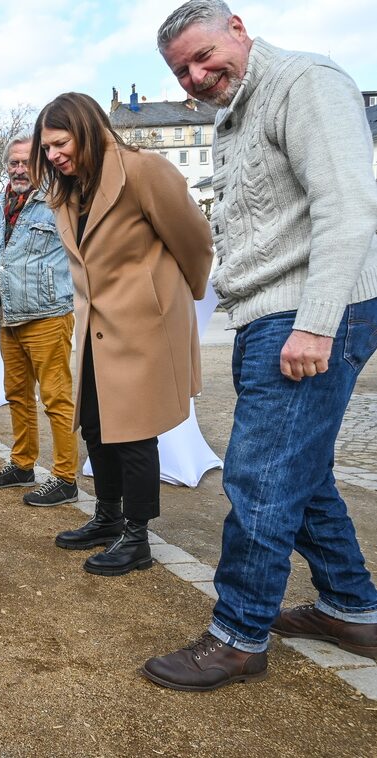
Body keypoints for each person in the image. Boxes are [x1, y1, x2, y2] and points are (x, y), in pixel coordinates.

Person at [143, 0, 377, 691]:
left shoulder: (301, 82)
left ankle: (238, 635)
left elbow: (347, 202)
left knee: (259, 479)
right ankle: (350, 607)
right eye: (180, 69)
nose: (194, 74)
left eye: (202, 55)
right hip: (269, 313)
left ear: (237, 29)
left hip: (304, 311)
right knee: (296, 475)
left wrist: (316, 321)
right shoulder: (235, 110)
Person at [30, 92, 213, 577]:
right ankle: (108, 517)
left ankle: (137, 538)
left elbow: (194, 238)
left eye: (59, 143)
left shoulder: (144, 171)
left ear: (87, 130)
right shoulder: (67, 191)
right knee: (94, 423)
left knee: (133, 433)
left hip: (144, 326)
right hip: (95, 329)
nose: (53, 156)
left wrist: (180, 296)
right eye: (46, 149)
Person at [0, 133, 80, 508]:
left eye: (27, 162)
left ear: (40, 164)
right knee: (17, 394)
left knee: (56, 397)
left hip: (48, 313)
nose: (20, 169)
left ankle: (65, 477)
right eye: (14, 163)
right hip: (8, 314)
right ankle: (23, 464)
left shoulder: (60, 200)